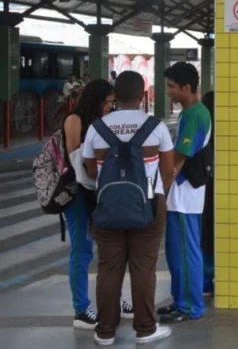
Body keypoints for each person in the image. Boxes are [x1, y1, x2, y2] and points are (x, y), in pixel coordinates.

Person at [83, 71, 174, 346]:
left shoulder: (96, 128)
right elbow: (168, 170)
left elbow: (89, 171)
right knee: (143, 268)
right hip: (148, 204)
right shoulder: (155, 127)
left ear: (115, 95)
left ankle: (105, 332)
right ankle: (145, 329)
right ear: (141, 96)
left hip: (107, 206)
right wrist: (158, 196)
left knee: (109, 268)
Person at [63, 79, 135, 329]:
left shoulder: (102, 123)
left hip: (101, 191)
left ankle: (116, 299)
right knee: (82, 251)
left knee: (111, 249)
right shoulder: (75, 120)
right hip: (79, 193)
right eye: (106, 103)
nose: (109, 107)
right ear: (95, 100)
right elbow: (76, 160)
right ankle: (81, 310)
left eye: (112, 103)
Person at [157, 62, 211, 324]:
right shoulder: (189, 113)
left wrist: (163, 181)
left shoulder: (194, 115)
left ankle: (190, 306)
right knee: (176, 252)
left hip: (185, 193)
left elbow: (181, 154)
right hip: (182, 194)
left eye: (171, 87)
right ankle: (180, 300)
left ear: (187, 88)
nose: (168, 91)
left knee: (186, 252)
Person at [200, 91, 215, 296]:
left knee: (205, 232)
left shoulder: (203, 129)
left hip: (204, 187)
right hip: (226, 188)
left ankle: (205, 280)